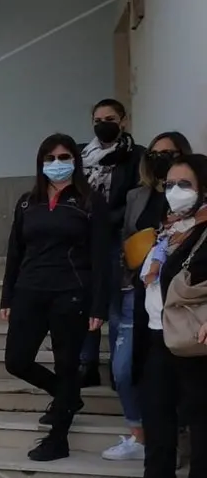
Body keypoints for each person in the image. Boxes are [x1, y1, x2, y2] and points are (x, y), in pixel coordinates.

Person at [0, 133, 110, 462]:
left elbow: (102, 257)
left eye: (64, 157)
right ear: (40, 163)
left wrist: (98, 304)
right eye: (50, 158)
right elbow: (15, 252)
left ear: (75, 161)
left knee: (66, 365)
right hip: (29, 292)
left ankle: (58, 438)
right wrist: (7, 295)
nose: (57, 164)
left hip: (71, 294)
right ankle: (67, 397)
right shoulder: (26, 202)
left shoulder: (90, 201)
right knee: (16, 361)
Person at [103, 131, 192, 461]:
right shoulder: (136, 197)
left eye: (168, 153)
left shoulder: (192, 198)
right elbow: (126, 239)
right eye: (154, 154)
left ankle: (177, 436)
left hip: (179, 297)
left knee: (176, 372)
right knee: (125, 369)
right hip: (135, 292)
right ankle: (139, 435)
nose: (160, 159)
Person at [136, 153, 207, 477]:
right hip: (159, 337)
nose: (176, 191)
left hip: (195, 343)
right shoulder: (168, 228)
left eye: (185, 184)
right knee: (157, 424)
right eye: (170, 184)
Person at [79, 99, 145, 388]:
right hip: (85, 239)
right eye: (97, 119)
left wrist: (105, 219)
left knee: (117, 304)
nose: (103, 124)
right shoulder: (82, 155)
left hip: (118, 238)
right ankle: (86, 363)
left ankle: (119, 366)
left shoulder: (137, 156)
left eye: (109, 118)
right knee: (86, 299)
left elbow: (135, 198)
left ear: (124, 120)